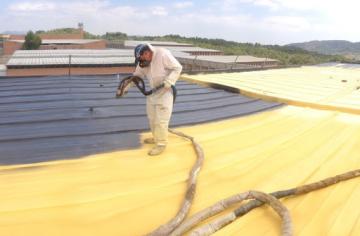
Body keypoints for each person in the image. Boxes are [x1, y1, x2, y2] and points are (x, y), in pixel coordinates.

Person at [133, 43, 182, 156]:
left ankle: (161, 144)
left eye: (142, 57)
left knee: (161, 121)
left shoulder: (163, 54)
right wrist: (127, 85)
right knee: (152, 118)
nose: (142, 60)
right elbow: (137, 75)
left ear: (147, 53)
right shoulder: (144, 62)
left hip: (165, 92)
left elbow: (178, 67)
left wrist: (169, 81)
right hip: (153, 92)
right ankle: (156, 138)